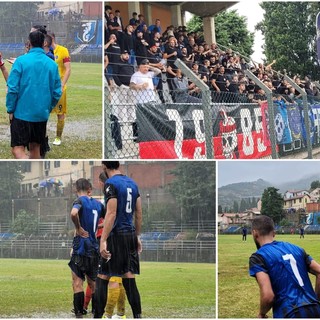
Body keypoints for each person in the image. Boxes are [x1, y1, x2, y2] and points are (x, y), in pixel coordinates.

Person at [94, 161, 142, 319]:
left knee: (103, 275)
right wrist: (137, 236)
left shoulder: (110, 183)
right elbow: (139, 212)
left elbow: (111, 213)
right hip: (129, 235)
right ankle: (137, 315)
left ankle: (98, 316)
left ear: (104, 166)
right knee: (128, 275)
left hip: (116, 235)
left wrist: (103, 240)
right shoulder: (132, 183)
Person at [249, 215, 320, 318]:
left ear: (255, 233)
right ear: (274, 232)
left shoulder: (258, 257)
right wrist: (316, 299)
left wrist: (262, 313)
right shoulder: (297, 249)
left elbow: (268, 296)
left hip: (288, 313)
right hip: (315, 310)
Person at [6, 30, 61, 159]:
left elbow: (13, 88)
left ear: (29, 43)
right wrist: (47, 107)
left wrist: (10, 108)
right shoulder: (52, 65)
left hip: (22, 113)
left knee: (17, 150)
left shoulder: (20, 61)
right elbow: (57, 92)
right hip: (41, 114)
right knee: (35, 148)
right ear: (44, 43)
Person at [68, 178, 105, 318]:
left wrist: (78, 227)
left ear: (75, 189)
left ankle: (79, 313)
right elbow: (108, 219)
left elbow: (73, 213)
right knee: (93, 283)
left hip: (81, 247)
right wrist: (96, 227)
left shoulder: (79, 201)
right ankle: (96, 312)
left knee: (77, 282)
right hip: (93, 247)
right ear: (90, 189)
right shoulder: (98, 204)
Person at [47, 31, 71, 146]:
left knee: (60, 113)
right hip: (46, 88)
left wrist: (62, 84)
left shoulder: (63, 50)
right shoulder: (43, 51)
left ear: (51, 38)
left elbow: (68, 69)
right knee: (43, 113)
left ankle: (58, 137)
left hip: (59, 88)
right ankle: (42, 136)